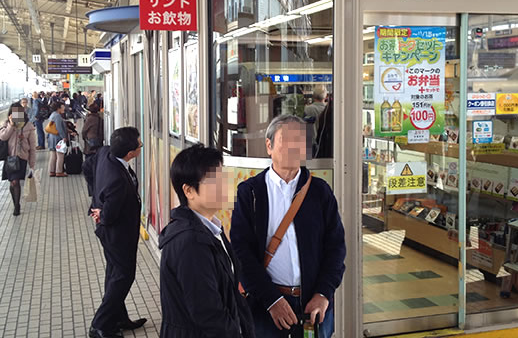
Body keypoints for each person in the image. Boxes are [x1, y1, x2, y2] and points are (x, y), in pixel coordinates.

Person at [231, 114, 346, 338]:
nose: (294, 146)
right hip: (267, 305)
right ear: (269, 145)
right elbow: (241, 251)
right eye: (287, 139)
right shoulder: (250, 193)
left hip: (313, 307)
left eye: (300, 140)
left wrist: (323, 293)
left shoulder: (320, 191)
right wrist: (271, 300)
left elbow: (336, 248)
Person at [159, 145, 255, 338]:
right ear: (189, 191)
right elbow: (208, 313)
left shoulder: (211, 228)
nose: (223, 186)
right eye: (213, 181)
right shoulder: (191, 242)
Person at [86, 127, 145, 338]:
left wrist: (95, 199)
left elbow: (88, 166)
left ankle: (118, 318)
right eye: (140, 145)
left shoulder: (105, 152)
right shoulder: (117, 180)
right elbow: (109, 216)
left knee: (114, 274)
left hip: (113, 232)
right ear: (130, 153)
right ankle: (100, 325)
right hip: (118, 235)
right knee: (123, 276)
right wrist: (100, 209)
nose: (141, 147)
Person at [0, 103, 36, 216]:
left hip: (21, 157)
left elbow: (33, 145)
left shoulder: (28, 125)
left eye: (18, 112)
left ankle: (17, 206)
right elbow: (3, 137)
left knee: (15, 181)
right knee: (12, 183)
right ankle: (16, 201)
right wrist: (11, 125)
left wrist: (32, 163)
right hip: (10, 157)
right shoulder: (6, 124)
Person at [81, 103, 104, 197]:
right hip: (98, 144)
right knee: (96, 167)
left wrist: (84, 138)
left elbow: (84, 131)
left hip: (90, 145)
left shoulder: (90, 118)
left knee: (89, 168)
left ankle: (92, 191)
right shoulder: (100, 119)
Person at [47, 102, 68, 177]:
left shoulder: (52, 115)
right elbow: (59, 128)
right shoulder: (57, 116)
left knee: (53, 155)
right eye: (62, 107)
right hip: (57, 138)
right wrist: (63, 137)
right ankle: (59, 171)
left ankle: (52, 171)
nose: (64, 108)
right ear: (58, 108)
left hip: (52, 137)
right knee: (60, 155)